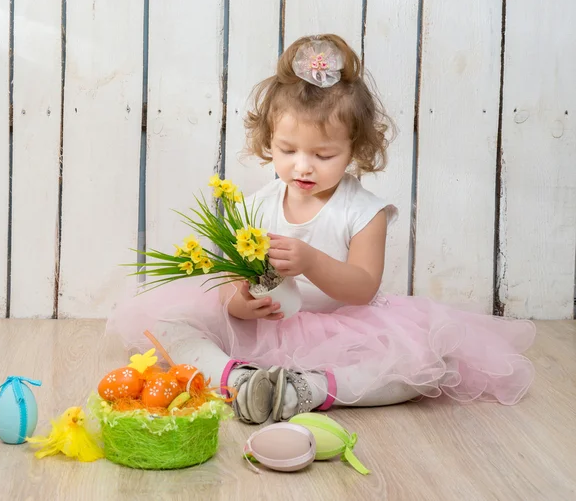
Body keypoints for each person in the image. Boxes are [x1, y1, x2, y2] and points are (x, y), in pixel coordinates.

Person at [107, 34, 535, 424]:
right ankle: (237, 380)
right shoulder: (258, 206)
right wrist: (237, 304)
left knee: (422, 368)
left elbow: (363, 287)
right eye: (287, 150)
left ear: (354, 149)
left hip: (343, 333)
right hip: (265, 331)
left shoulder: (364, 211)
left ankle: (306, 390)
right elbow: (231, 278)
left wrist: (310, 260)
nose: (303, 165)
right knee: (167, 325)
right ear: (268, 142)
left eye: (323, 154)